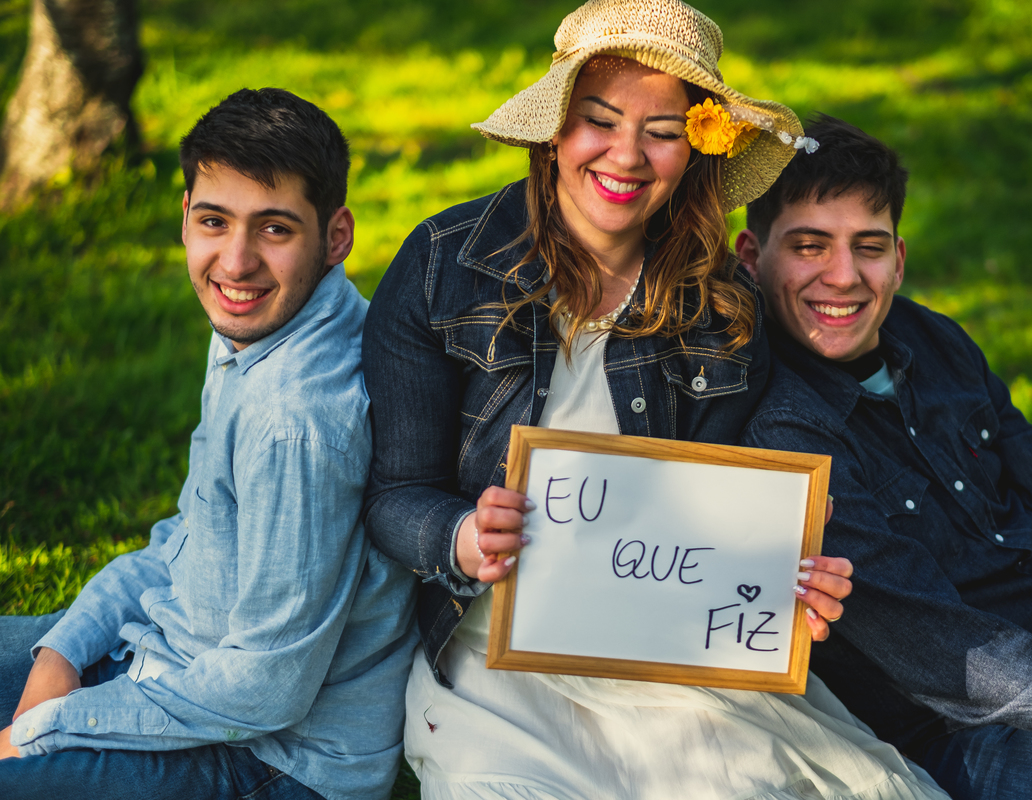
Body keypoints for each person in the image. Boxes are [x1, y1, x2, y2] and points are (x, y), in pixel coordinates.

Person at [363, 1, 947, 798]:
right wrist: (462, 536)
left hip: (662, 646)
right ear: (558, 129)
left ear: (695, 150)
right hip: (495, 651)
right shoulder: (444, 266)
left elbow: (717, 512)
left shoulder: (720, 306)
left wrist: (783, 581)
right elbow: (394, 496)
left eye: (663, 131)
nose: (626, 156)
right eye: (599, 120)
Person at [736, 113, 1032, 800]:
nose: (843, 277)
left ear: (899, 258)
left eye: (868, 247)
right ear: (751, 258)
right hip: (969, 726)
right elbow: (944, 653)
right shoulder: (783, 428)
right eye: (809, 247)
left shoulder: (936, 342)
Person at [0, 88, 419, 800]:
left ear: (336, 235)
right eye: (213, 221)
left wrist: (46, 730)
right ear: (185, 217)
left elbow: (265, 688)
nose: (236, 261)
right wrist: (65, 651)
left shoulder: (297, 417)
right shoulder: (255, 328)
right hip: (179, 661)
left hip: (274, 761)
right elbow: (187, 537)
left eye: (275, 229)